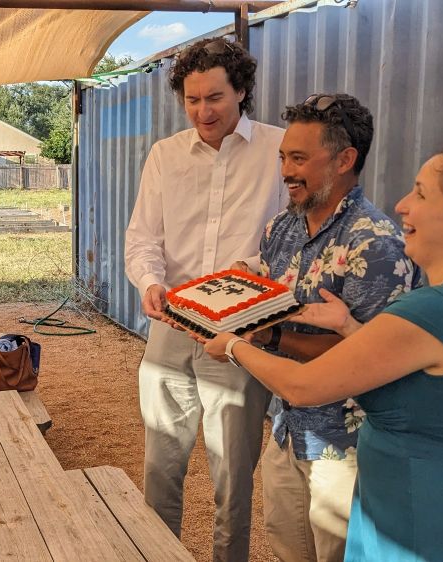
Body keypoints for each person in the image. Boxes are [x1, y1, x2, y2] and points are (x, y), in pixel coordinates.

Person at [198, 144, 443, 560]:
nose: (402, 205)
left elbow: (302, 386)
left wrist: (232, 344)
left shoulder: (436, 310)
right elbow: (428, 380)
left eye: (421, 194)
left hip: (429, 526)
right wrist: (347, 325)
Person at [124, 37, 286, 561]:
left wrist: (259, 273)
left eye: (214, 97)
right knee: (159, 467)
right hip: (171, 326)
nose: (202, 111)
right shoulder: (165, 155)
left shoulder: (277, 151)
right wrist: (150, 282)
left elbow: (297, 239)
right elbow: (143, 236)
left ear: (241, 90)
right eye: (192, 100)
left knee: (233, 477)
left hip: (238, 335)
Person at [244, 93, 416, 562]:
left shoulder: (376, 245)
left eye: (299, 158)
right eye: (283, 157)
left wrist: (266, 340)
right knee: (288, 547)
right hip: (287, 426)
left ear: (345, 160)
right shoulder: (281, 227)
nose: (285, 171)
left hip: (347, 445)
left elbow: (368, 363)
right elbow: (262, 296)